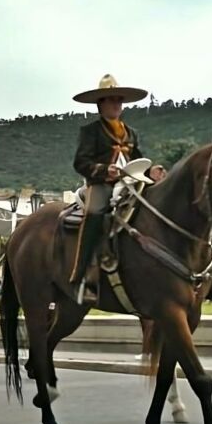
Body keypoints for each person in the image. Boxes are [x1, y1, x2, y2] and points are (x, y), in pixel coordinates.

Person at [70, 74, 150, 303]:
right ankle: (83, 273)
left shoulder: (131, 132)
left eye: (119, 100)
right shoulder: (90, 131)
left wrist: (152, 171)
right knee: (95, 215)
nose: (116, 104)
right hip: (102, 185)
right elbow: (80, 163)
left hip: (131, 184)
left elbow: (139, 160)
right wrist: (105, 170)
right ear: (100, 104)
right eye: (111, 100)